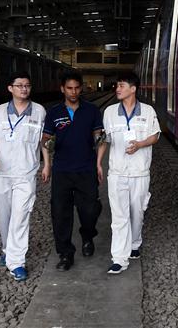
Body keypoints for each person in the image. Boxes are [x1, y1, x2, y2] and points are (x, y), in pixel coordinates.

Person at [0, 71, 49, 282]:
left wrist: (47, 164)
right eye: (19, 85)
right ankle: (6, 250)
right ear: (10, 89)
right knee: (5, 216)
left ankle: (16, 262)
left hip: (26, 173)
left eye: (27, 85)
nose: (24, 89)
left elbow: (43, 141)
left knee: (21, 216)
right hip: (2, 173)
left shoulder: (39, 111)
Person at [98, 71, 160, 275]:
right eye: (117, 85)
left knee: (137, 212)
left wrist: (140, 144)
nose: (117, 88)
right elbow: (105, 140)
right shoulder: (109, 112)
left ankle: (135, 244)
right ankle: (119, 258)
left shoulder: (148, 111)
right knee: (119, 216)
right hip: (116, 172)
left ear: (133, 89)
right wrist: (99, 163)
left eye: (122, 85)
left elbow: (155, 136)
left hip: (140, 172)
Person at [42, 71, 105, 271]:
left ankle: (87, 235)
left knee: (90, 209)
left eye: (77, 88)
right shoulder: (53, 113)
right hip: (62, 170)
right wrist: (47, 163)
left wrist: (99, 162)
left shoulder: (91, 110)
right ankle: (65, 253)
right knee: (60, 213)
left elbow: (99, 136)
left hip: (86, 168)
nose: (73, 92)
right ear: (62, 89)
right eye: (69, 88)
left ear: (81, 88)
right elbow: (45, 140)